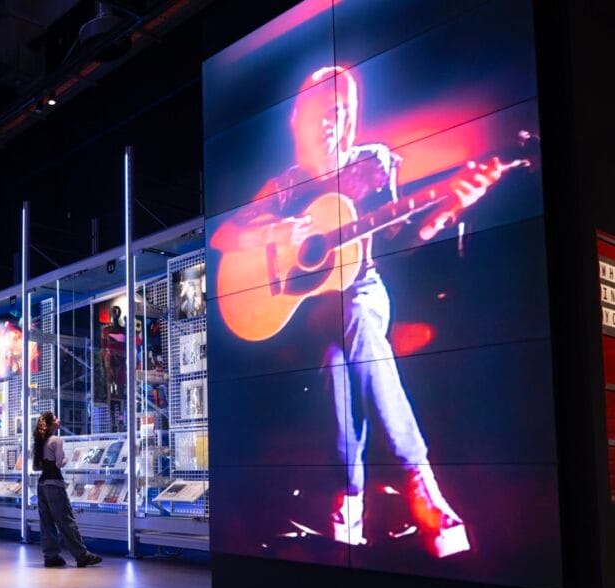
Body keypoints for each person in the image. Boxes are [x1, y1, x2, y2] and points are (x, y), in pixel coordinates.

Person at [210, 66, 505, 557]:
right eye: (326, 110)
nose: (337, 120)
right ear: (297, 118)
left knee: (357, 324)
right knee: (336, 353)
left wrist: (447, 207)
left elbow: (399, 240)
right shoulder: (282, 186)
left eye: (345, 110)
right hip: (303, 311)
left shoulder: (372, 163)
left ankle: (360, 494)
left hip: (363, 289)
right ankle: (413, 488)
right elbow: (222, 237)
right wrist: (272, 234)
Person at [32, 411, 102, 568]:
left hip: (42, 485)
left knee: (47, 522)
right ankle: (81, 555)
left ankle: (51, 556)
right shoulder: (56, 440)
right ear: (50, 424)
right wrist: (65, 458)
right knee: (66, 520)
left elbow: (36, 466)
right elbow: (59, 464)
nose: (59, 420)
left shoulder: (39, 442)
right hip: (55, 484)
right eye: (55, 418)